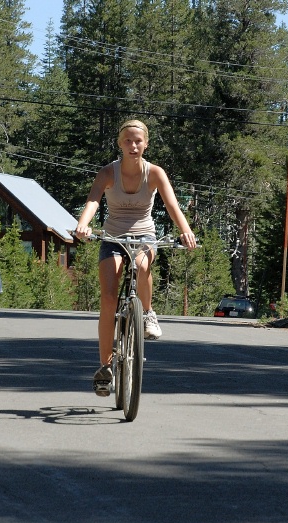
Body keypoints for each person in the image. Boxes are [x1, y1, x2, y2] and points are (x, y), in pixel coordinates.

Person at [75, 119, 197, 397]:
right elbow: (94, 200)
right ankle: (105, 368)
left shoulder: (154, 173)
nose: (133, 145)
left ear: (146, 144)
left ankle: (148, 313)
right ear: (120, 144)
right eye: (128, 141)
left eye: (138, 141)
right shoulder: (108, 172)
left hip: (144, 236)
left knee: (142, 265)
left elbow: (171, 205)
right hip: (113, 237)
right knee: (108, 298)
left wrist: (186, 231)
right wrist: (83, 223)